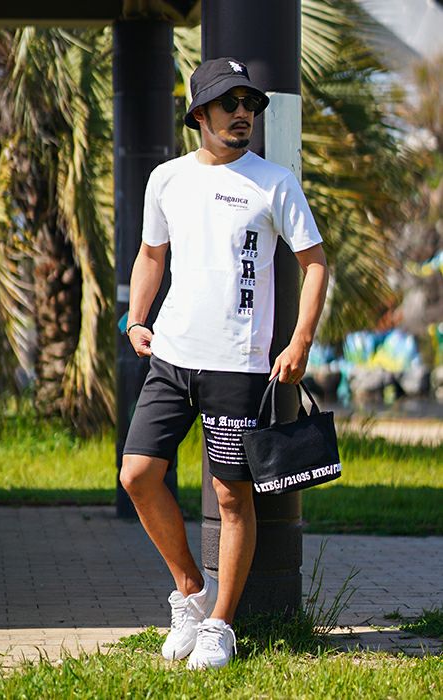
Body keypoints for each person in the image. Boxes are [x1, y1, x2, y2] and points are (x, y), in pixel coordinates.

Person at [120, 57, 328, 670]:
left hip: (239, 366)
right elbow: (151, 254)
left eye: (250, 104)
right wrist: (136, 318)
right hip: (171, 357)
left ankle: (219, 626)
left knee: (232, 496)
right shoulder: (166, 179)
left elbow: (315, 263)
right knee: (137, 474)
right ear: (199, 114)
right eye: (229, 103)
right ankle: (191, 591)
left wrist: (300, 341)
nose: (243, 113)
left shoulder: (274, 182)